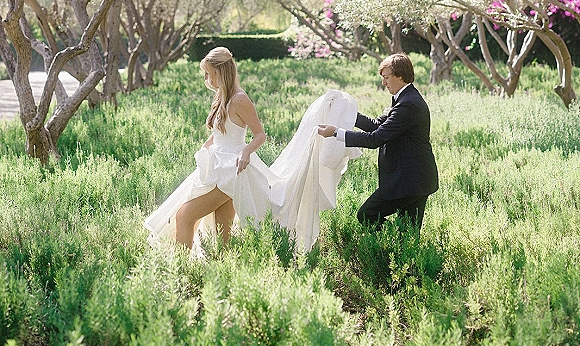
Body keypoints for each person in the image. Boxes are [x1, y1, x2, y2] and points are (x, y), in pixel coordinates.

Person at [144, 47, 361, 253]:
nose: (206, 80)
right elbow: (223, 131)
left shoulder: (240, 99)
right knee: (222, 228)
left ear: (221, 72)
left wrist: (246, 151)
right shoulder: (223, 96)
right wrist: (207, 146)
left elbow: (260, 135)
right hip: (217, 163)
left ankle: (180, 270)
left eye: (209, 74)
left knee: (185, 215)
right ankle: (222, 269)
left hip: (230, 169)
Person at [318, 52, 438, 232]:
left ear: (400, 75)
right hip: (414, 180)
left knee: (367, 215)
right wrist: (346, 110)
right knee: (408, 234)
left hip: (409, 181)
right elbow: (376, 125)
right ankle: (397, 250)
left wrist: (336, 133)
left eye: (387, 77)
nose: (384, 83)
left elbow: (376, 139)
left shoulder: (409, 104)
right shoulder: (404, 99)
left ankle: (389, 243)